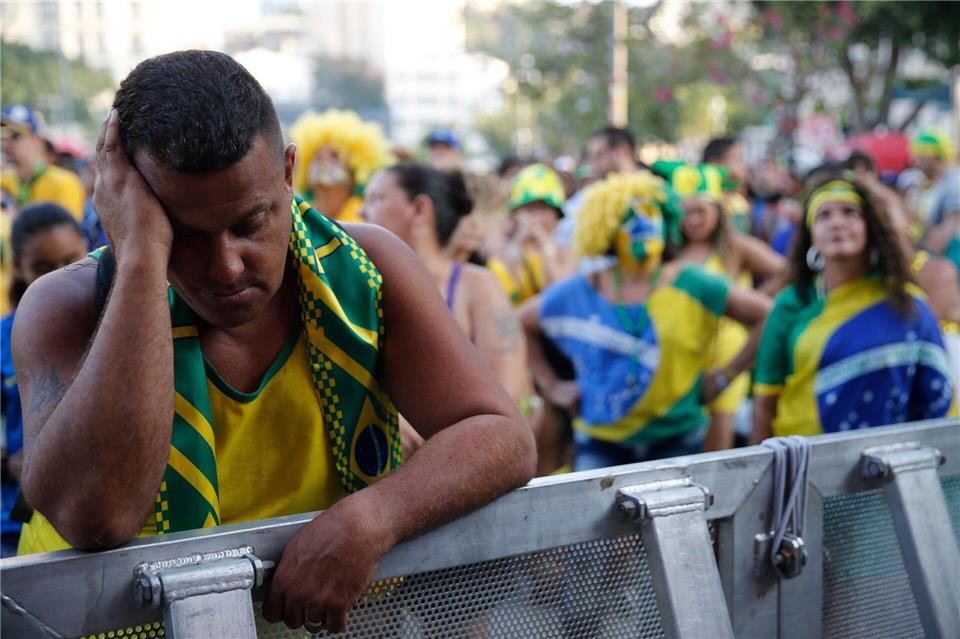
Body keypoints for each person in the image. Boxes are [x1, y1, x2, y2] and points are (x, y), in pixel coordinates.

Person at [11, 51, 535, 633]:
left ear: (288, 172)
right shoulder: (67, 303)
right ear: (131, 205)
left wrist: (370, 518)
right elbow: (100, 519)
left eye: (250, 222)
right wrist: (139, 260)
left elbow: (502, 434)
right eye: (185, 234)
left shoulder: (366, 266)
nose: (227, 266)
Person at [519, 171, 771, 470]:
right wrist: (551, 386)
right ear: (607, 228)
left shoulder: (693, 282)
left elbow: (768, 314)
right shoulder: (583, 289)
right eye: (629, 216)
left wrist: (725, 376)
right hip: (601, 446)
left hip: (679, 440)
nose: (644, 224)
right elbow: (516, 323)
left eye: (652, 213)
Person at [751, 176, 955, 442]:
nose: (837, 223)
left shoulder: (907, 305)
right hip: (806, 466)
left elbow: (937, 396)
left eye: (850, 213)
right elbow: (766, 401)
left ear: (870, 229)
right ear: (810, 235)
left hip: (893, 466)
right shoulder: (792, 303)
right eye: (824, 216)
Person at [361, 162, 532, 455]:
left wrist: (413, 429)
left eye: (377, 199)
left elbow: (508, 400)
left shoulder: (478, 285)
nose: (361, 213)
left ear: (419, 209)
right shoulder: (357, 286)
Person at [653, 161, 785, 450]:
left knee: (717, 441)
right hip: (683, 355)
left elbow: (788, 271)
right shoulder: (668, 250)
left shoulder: (735, 247)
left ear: (718, 211)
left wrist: (759, 295)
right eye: (686, 212)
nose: (693, 220)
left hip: (728, 353)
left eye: (701, 211)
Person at [1, 204, 88, 558]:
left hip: (88, 515)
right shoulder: (4, 337)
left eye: (70, 259)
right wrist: (10, 463)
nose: (59, 275)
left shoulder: (111, 326)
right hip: (17, 521)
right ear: (18, 267)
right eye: (42, 267)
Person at [288, 109, 392, 223]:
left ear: (354, 171)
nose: (324, 161)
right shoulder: (296, 217)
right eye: (317, 156)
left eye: (334, 156)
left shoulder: (366, 217)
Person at [488, 163, 571, 306]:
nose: (536, 218)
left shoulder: (567, 251)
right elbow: (504, 288)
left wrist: (545, 244)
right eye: (529, 210)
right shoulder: (503, 246)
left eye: (543, 209)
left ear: (556, 214)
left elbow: (562, 292)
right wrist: (519, 240)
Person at [0, 105, 86, 221]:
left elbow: (67, 235)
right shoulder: (5, 182)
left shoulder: (65, 183)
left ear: (37, 140)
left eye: (15, 135)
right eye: (3, 134)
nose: (6, 141)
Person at [910, 130, 960, 269]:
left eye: (919, 154)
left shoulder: (953, 183)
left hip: (950, 259)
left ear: (933, 155)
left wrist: (925, 261)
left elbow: (950, 226)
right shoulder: (923, 183)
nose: (915, 159)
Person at [703, 136, 751, 234]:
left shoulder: (739, 203)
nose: (743, 165)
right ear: (714, 163)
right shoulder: (702, 201)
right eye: (737, 159)